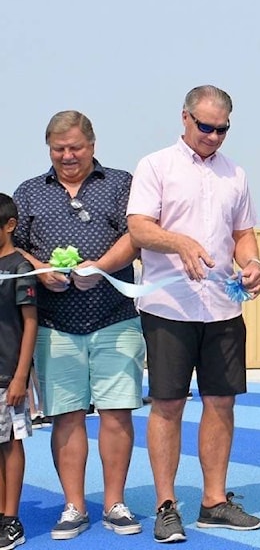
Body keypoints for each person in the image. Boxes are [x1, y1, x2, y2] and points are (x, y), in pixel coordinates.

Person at [127, 85, 260, 543]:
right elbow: (139, 227)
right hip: (169, 306)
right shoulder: (155, 165)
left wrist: (252, 262)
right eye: (205, 126)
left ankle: (214, 501)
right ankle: (167, 505)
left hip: (224, 306)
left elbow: (243, 233)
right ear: (184, 118)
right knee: (167, 404)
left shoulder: (235, 174)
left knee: (221, 403)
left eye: (222, 129)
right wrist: (180, 241)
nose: (213, 136)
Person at [13, 111, 146, 539]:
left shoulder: (122, 183)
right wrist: (38, 269)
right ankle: (73, 506)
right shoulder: (29, 193)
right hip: (54, 324)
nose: (67, 156)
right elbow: (13, 247)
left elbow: (137, 233)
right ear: (48, 149)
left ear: (92, 144)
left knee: (116, 413)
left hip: (115, 318)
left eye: (75, 147)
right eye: (58, 149)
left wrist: (102, 267)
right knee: (66, 416)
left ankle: (114, 503)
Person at [0, 193, 38, 550]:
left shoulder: (20, 268)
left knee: (10, 443)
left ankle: (11, 519)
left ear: (10, 226)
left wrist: (20, 377)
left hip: (7, 376)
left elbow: (30, 323)